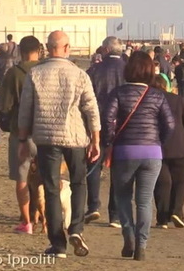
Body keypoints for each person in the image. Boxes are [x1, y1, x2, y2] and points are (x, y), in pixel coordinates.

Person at [17, 31, 101, 258]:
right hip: (74, 136)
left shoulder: (35, 74)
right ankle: (76, 228)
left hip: (45, 138)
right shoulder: (79, 74)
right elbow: (91, 109)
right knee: (78, 182)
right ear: (66, 48)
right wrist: (96, 139)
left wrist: (23, 140)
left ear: (47, 47)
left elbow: (25, 111)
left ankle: (58, 244)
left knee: (52, 189)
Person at [104, 51, 175, 261]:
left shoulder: (118, 93)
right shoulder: (157, 95)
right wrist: (159, 141)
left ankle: (128, 236)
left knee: (123, 197)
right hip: (152, 152)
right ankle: (141, 245)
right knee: (144, 201)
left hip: (124, 151)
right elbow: (170, 125)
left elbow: (107, 120)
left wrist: (109, 143)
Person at [0, 36, 41, 234]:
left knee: (22, 177)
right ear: (39, 51)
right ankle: (45, 217)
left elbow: (4, 105)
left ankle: (26, 221)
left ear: (20, 51)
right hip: (45, 131)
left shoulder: (14, 73)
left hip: (20, 131)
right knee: (46, 177)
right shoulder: (46, 70)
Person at [85, 36, 126, 228]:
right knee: (118, 168)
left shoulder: (94, 70)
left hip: (97, 122)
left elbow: (84, 97)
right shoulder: (128, 70)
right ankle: (115, 215)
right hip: (122, 124)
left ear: (107, 50)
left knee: (94, 162)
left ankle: (93, 205)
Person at [152, 75, 184, 229]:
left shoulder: (149, 101)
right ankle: (176, 211)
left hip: (158, 148)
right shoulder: (177, 100)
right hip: (181, 148)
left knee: (162, 183)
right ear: (165, 86)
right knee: (181, 180)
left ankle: (162, 219)